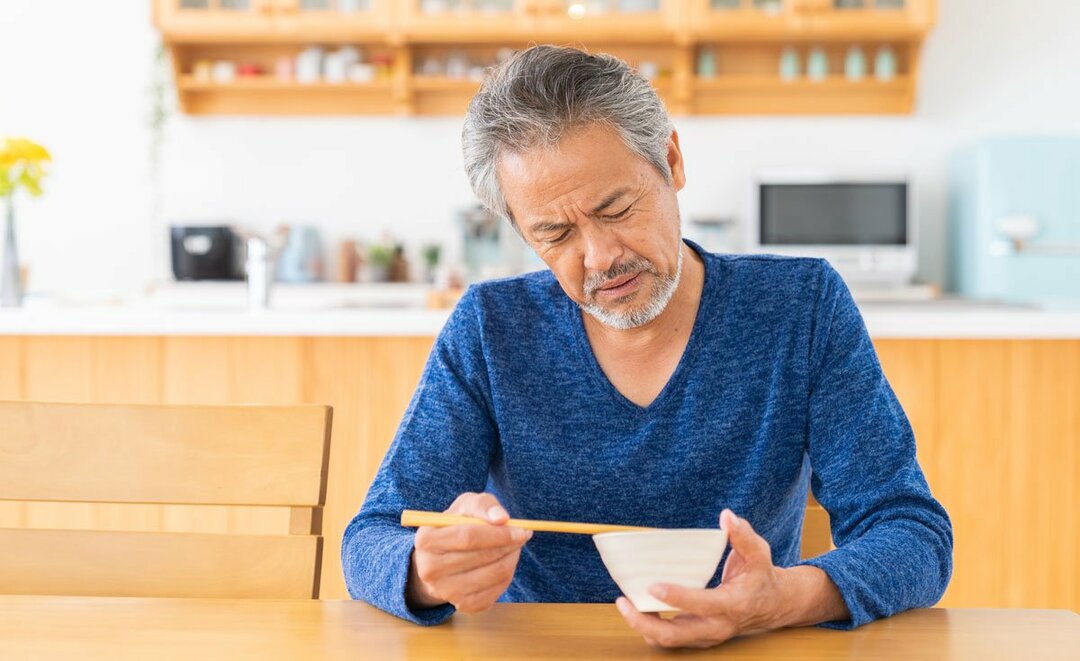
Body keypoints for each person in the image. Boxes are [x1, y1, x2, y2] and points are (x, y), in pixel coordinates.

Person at [342, 45, 952, 650]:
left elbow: (912, 533)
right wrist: (426, 572)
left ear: (672, 160)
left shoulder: (800, 306)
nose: (601, 258)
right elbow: (371, 537)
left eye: (617, 208)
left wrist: (779, 601)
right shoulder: (491, 327)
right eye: (555, 234)